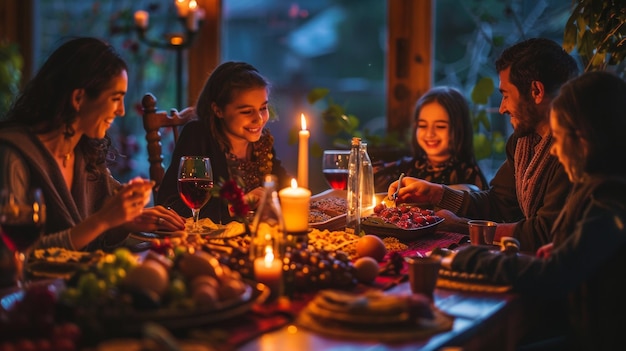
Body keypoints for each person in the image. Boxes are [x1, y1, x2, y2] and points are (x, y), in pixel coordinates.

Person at [436, 71, 626, 350]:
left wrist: (470, 258)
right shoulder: (593, 184)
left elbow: (556, 275)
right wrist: (564, 247)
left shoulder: (610, 197)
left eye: (559, 138)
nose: (553, 151)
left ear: (583, 138)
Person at [389, 38, 578, 251]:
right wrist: (437, 194)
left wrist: (463, 226)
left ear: (536, 91)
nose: (502, 108)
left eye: (506, 95)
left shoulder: (573, 151)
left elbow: (543, 232)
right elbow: (499, 204)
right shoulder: (522, 143)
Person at [0, 37, 185, 251]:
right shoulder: (12, 155)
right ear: (78, 98)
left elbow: (100, 232)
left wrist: (127, 221)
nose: (121, 111)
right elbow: (11, 253)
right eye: (116, 98)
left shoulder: (85, 154)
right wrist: (103, 220)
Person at [157, 61, 291, 224]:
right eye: (247, 111)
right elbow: (171, 205)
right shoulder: (199, 136)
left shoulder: (260, 142)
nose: (259, 119)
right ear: (218, 110)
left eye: (263, 108)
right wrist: (236, 205)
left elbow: (284, 187)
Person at [374, 86, 488, 192]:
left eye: (440, 126)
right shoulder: (408, 167)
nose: (429, 134)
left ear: (459, 128)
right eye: (423, 126)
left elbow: (478, 202)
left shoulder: (468, 173)